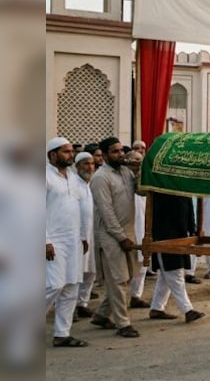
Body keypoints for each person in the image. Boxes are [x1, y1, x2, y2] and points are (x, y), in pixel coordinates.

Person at [89, 137, 140, 338]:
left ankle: (101, 315)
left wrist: (141, 170)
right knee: (118, 280)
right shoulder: (101, 178)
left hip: (127, 232)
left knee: (124, 278)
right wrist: (120, 237)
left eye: (121, 150)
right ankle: (123, 323)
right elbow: (106, 212)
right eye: (115, 151)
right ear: (105, 155)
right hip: (110, 236)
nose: (120, 154)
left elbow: (141, 192)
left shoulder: (126, 172)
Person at [45, 137, 89, 347]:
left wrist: (82, 237)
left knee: (72, 285)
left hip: (73, 240)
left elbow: (78, 209)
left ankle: (62, 333)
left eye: (71, 151)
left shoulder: (72, 177)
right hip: (52, 241)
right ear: (52, 155)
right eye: (65, 151)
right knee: (53, 285)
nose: (70, 155)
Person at [147, 193, 205, 323]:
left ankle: (157, 308)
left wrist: (193, 230)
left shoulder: (182, 190)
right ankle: (187, 310)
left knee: (166, 275)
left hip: (179, 236)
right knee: (175, 274)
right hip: (165, 237)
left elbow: (189, 211)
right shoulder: (161, 192)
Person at [73, 152, 97, 320]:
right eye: (85, 164)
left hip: (93, 234)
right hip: (76, 235)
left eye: (92, 164)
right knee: (75, 273)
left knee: (91, 272)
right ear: (77, 166)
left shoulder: (93, 184)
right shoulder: (72, 184)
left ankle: (83, 304)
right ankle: (70, 307)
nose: (89, 167)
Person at [127, 150, 152, 308]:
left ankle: (136, 296)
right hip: (127, 228)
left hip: (143, 227)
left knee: (143, 264)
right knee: (126, 266)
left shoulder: (145, 181)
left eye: (140, 160)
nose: (137, 163)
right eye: (134, 160)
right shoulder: (122, 178)